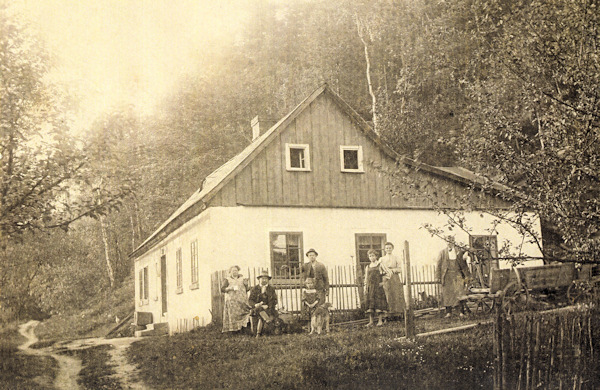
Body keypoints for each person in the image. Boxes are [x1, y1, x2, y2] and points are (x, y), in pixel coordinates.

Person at [435, 242, 471, 318]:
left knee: (460, 292)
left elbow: (470, 252)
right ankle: (448, 312)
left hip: (457, 275)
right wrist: (437, 276)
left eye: (451, 241)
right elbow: (438, 265)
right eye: (447, 241)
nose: (449, 243)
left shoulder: (459, 251)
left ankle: (461, 312)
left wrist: (467, 253)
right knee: (447, 293)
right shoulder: (442, 252)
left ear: (453, 242)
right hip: (447, 275)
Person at [364, 249, 392, 326]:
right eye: (370, 256)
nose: (371, 257)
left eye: (373, 255)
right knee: (370, 304)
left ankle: (380, 321)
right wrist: (365, 288)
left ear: (376, 256)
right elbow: (366, 278)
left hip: (378, 287)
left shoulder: (380, 265)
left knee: (379, 303)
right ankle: (371, 321)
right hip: (370, 287)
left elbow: (389, 273)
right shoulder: (367, 267)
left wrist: (383, 282)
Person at [220, 265, 251, 333]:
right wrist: (230, 288)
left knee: (244, 314)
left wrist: (246, 285)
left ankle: (242, 329)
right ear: (230, 272)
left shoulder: (242, 279)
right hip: (232, 301)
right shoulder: (227, 280)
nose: (235, 272)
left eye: (236, 270)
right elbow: (222, 289)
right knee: (233, 316)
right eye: (233, 271)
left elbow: (246, 289)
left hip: (242, 301)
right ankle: (234, 330)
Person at [248, 269, 278, 336]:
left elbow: (275, 300)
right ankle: (267, 320)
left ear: (268, 280)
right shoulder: (255, 289)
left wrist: (268, 306)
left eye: (266, 278)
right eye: (262, 278)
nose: (264, 280)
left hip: (269, 308)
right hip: (257, 308)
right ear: (259, 279)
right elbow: (250, 300)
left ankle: (258, 334)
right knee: (259, 309)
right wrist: (256, 304)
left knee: (262, 313)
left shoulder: (271, 289)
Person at [379, 242, 406, 318]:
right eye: (387, 248)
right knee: (387, 294)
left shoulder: (396, 258)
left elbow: (400, 269)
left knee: (396, 293)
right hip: (386, 277)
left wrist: (393, 270)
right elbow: (379, 270)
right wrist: (384, 272)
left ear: (392, 248)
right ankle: (388, 314)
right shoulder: (382, 259)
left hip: (394, 277)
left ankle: (398, 313)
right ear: (385, 249)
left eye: (390, 248)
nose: (388, 249)